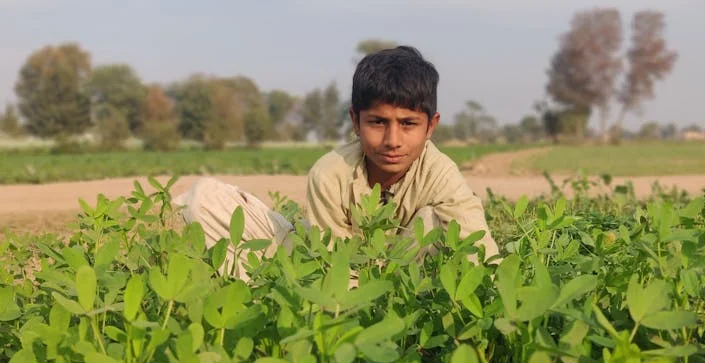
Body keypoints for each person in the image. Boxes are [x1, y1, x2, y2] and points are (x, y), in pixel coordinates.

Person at [174, 46, 499, 277]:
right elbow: (332, 262)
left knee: (435, 222)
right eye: (378, 122)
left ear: (431, 126)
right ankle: (264, 287)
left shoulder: (441, 173)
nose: (392, 140)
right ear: (355, 121)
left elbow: (481, 250)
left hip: (409, 272)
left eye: (408, 123)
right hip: (335, 271)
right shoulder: (330, 172)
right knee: (204, 199)